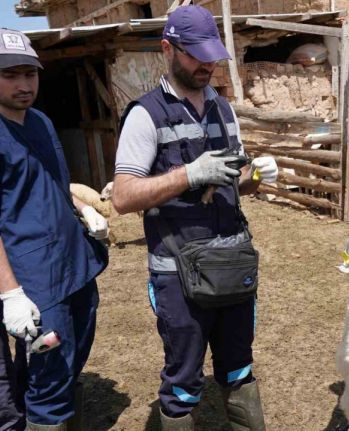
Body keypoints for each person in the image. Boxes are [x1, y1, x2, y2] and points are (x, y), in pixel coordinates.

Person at [111, 6, 277, 430]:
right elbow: (124, 197)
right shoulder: (145, 115)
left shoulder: (224, 109)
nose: (207, 65)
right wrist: (188, 173)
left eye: (213, 56)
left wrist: (255, 176)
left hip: (232, 264)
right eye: (196, 55)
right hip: (178, 275)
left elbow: (233, 182)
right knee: (184, 381)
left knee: (240, 368)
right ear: (168, 49)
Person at [0, 28, 109, 430]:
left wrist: (83, 209)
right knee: (50, 367)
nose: (23, 85)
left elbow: (50, 183)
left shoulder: (41, 122)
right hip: (34, 275)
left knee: (75, 352)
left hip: (73, 262)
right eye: (10, 75)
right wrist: (10, 293)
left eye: (29, 74)